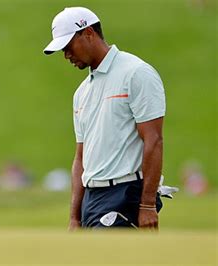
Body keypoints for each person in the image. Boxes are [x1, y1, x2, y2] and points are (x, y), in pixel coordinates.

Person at [43, 7, 166, 229]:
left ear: (88, 33)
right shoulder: (81, 92)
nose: (66, 55)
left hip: (126, 193)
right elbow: (81, 157)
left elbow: (153, 139)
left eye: (68, 46)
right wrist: (74, 217)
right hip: (92, 199)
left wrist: (147, 205)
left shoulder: (136, 73)